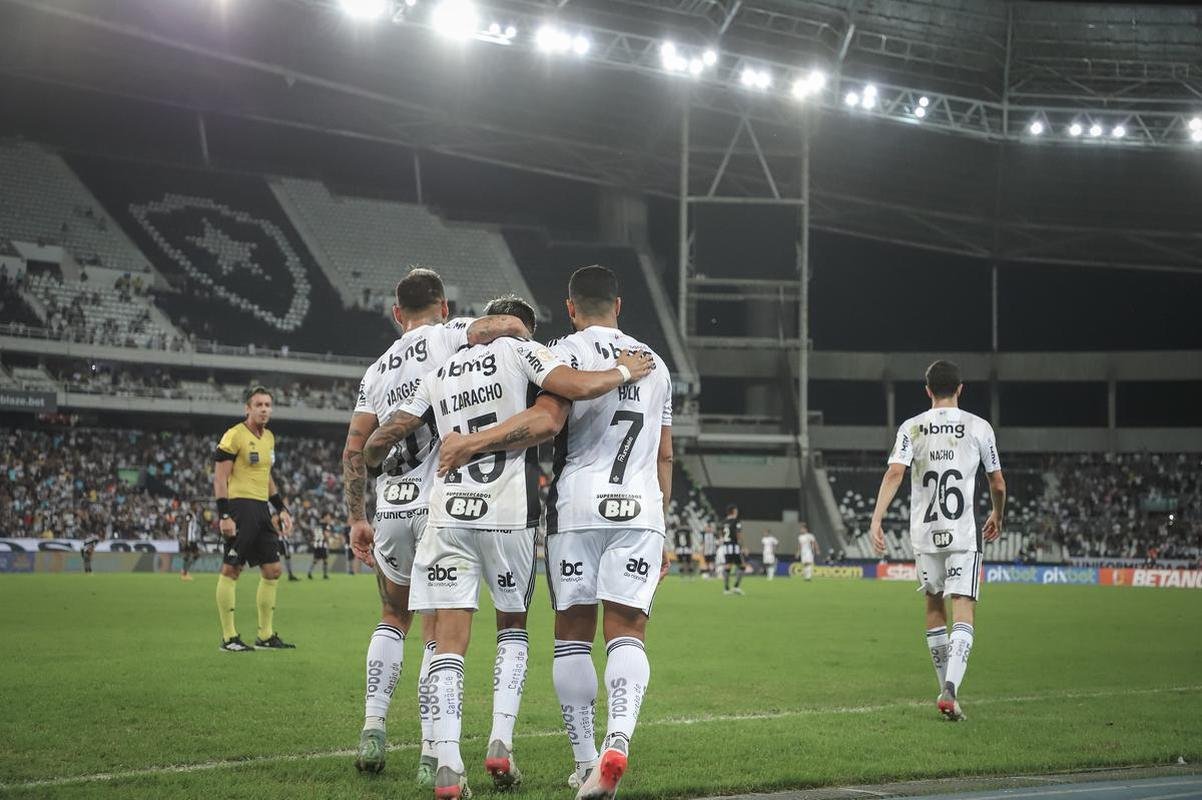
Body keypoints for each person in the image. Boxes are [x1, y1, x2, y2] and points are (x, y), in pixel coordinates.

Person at [364, 293, 653, 800]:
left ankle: (447, 762)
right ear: (523, 328)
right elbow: (565, 401)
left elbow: (376, 443)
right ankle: (500, 741)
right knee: (512, 628)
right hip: (508, 514)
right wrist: (625, 371)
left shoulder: (441, 371)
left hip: (447, 514)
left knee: (446, 641)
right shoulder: (523, 353)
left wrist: (382, 468)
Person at [439, 266, 673, 799]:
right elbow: (665, 453)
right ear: (619, 304)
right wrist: (661, 524)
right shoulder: (654, 363)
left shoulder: (560, 353)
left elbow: (546, 419)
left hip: (575, 508)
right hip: (640, 510)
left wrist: (471, 442)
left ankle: (586, 760)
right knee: (627, 632)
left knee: (572, 635)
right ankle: (618, 741)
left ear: (570, 308)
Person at [342, 268, 525, 779]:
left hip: (390, 508)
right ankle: (431, 753)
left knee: (390, 616)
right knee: (436, 631)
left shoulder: (375, 372)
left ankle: (373, 728)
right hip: (439, 504)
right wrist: (513, 331)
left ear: (396, 313)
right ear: (444, 307)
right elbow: (504, 325)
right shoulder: (449, 334)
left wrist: (357, 517)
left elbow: (354, 449)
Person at [869, 360, 1005, 722]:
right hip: (962, 534)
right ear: (960, 389)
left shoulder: (911, 427)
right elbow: (997, 482)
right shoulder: (978, 426)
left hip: (925, 535)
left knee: (933, 606)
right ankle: (951, 689)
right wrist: (998, 514)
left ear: (927, 390)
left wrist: (877, 518)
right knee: (964, 607)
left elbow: (894, 473)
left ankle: (945, 688)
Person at [213, 386, 296, 653]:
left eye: (267, 405)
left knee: (273, 570)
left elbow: (266, 476)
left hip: (261, 509)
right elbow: (220, 478)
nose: (264, 409)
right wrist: (224, 515)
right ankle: (229, 638)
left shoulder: (269, 437)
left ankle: (265, 635)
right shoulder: (234, 435)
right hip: (239, 507)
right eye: (258, 405)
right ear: (247, 408)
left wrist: (281, 508)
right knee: (232, 569)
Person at [721, 505, 744, 595]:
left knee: (728, 566)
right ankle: (736, 587)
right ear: (733, 511)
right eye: (736, 511)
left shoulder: (723, 522)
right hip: (734, 546)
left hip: (726, 547)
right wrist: (742, 546)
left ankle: (726, 589)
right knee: (742, 566)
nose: (737, 512)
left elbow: (722, 535)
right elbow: (738, 534)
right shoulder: (736, 521)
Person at [274, 515, 299, 582]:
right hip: (281, 541)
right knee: (282, 557)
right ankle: (288, 574)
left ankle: (289, 574)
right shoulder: (277, 520)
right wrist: (281, 533)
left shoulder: (283, 521)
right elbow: (276, 527)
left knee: (286, 556)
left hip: (283, 540)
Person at [179, 512, 201, 581]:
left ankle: (184, 571)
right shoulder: (190, 515)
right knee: (189, 556)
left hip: (192, 540)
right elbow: (186, 526)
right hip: (189, 540)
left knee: (193, 555)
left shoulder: (194, 515)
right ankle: (184, 573)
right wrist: (186, 539)